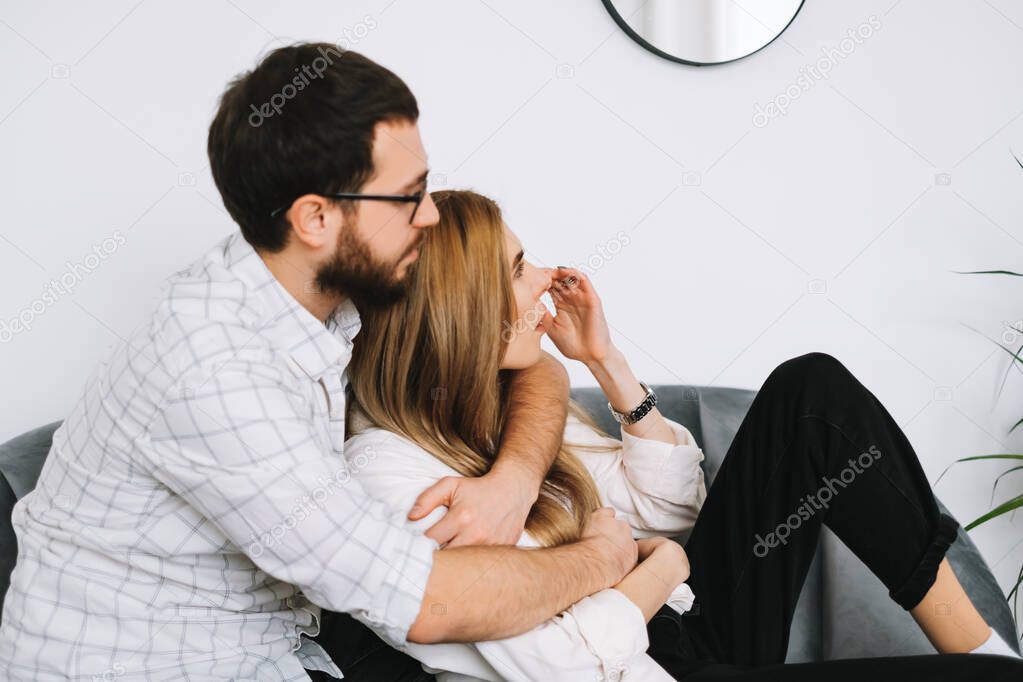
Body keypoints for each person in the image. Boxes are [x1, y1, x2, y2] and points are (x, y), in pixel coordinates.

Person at [0, 45, 638, 681]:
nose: (431, 215)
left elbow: (520, 357)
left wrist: (515, 480)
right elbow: (430, 603)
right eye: (407, 196)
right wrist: (602, 559)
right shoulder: (215, 368)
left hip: (285, 649)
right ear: (315, 217)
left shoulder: (323, 292)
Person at [321, 188, 1023, 681]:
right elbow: (563, 666)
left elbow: (675, 517)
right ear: (462, 312)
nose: (543, 279)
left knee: (813, 396)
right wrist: (648, 569)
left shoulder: (510, 407)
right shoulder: (391, 477)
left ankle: (980, 648)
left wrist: (605, 363)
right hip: (644, 664)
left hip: (687, 629)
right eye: (516, 269)